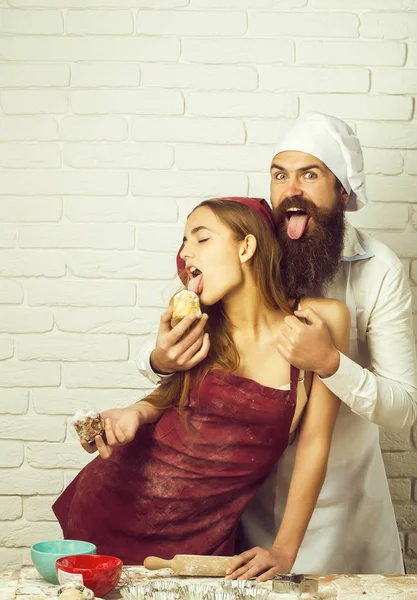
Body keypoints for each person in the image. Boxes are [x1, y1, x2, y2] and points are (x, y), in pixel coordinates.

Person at [138, 113, 417, 574]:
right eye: (280, 175)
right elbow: (194, 354)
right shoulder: (251, 249)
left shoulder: (379, 270)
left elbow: (404, 409)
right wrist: (157, 361)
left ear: (342, 191)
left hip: (347, 505)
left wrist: (330, 364)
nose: (292, 189)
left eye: (310, 174)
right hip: (245, 505)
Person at [53, 197, 350, 580]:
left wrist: (284, 550)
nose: (184, 252)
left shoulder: (319, 321)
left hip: (202, 539)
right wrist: (133, 413)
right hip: (113, 503)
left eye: (201, 238)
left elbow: (315, 442)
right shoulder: (201, 327)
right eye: (183, 241)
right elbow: (173, 399)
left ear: (246, 246)